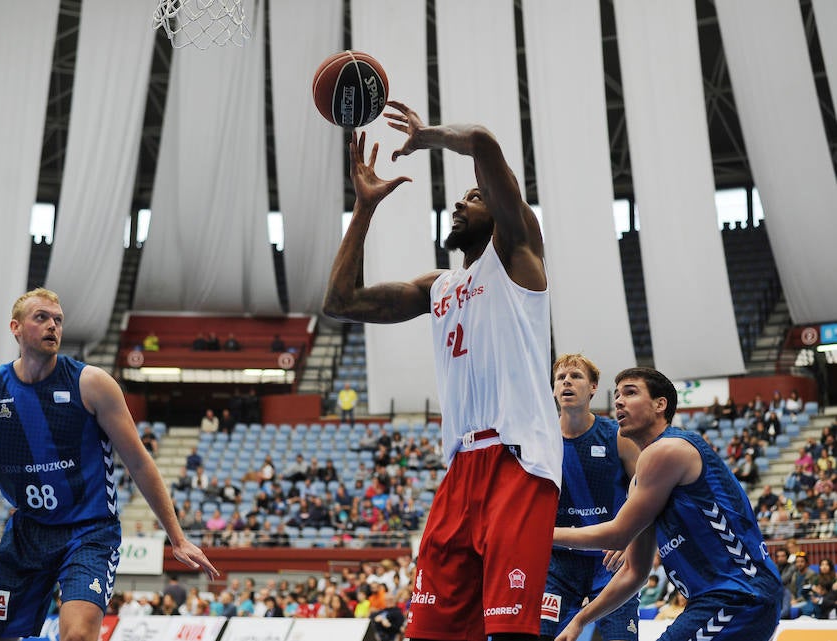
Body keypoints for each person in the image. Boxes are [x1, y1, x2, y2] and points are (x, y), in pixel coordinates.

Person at [322, 102, 562, 640]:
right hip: (460, 468)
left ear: (502, 211)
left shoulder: (519, 255)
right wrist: (362, 209)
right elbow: (340, 301)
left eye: (475, 197)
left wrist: (426, 136)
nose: (460, 201)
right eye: (461, 196)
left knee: (507, 632)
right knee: (428, 631)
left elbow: (480, 139)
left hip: (516, 457)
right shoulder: (440, 287)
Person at [0, 288, 219, 641]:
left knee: (77, 635)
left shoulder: (92, 383)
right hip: (28, 530)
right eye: (41, 317)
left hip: (89, 530)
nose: (52, 325)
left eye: (58, 320)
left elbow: (140, 463)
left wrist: (177, 538)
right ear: (16, 328)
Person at [553, 367, 782, 641]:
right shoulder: (641, 479)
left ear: (660, 404)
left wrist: (540, 535)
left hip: (740, 594)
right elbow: (634, 572)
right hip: (717, 599)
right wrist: (580, 620)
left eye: (630, 392)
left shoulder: (667, 450)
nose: (618, 401)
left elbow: (617, 534)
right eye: (616, 395)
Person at [539, 354, 641, 641]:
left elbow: (645, 490)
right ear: (554, 389)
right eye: (561, 378)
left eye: (576, 376)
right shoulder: (540, 439)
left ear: (593, 387)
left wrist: (632, 538)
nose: (567, 381)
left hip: (611, 562)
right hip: (557, 563)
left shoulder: (617, 436)